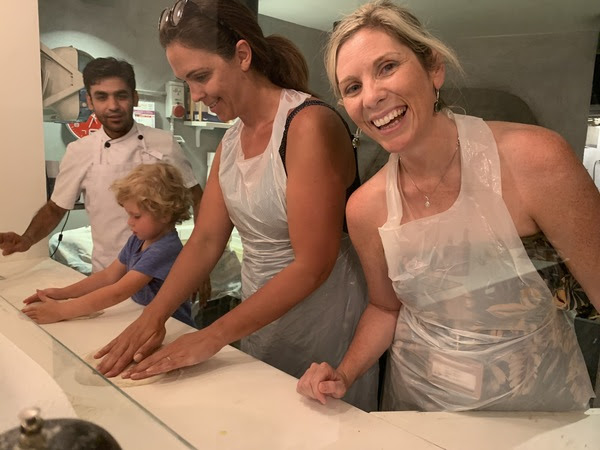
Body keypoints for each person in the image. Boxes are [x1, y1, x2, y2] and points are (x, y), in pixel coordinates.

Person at [296, 0, 600, 411]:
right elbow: (385, 308)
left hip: (535, 407)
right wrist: (344, 374)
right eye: (352, 87)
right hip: (418, 408)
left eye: (387, 67)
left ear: (433, 68)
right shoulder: (365, 209)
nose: (372, 96)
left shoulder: (535, 159)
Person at [92, 0, 379, 411]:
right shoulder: (230, 142)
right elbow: (207, 239)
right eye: (186, 81)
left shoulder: (306, 125)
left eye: (201, 76)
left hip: (323, 320)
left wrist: (210, 336)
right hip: (260, 315)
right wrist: (153, 317)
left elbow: (312, 265)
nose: (196, 94)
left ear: (243, 55)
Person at [0, 57, 203, 273]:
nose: (113, 106)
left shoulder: (164, 142)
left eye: (121, 96)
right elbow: (55, 208)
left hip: (164, 272)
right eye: (102, 97)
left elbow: (198, 198)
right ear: (90, 101)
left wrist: (199, 261)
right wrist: (27, 239)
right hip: (107, 272)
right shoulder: (79, 151)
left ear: (134, 98)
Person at [21, 163, 196, 327]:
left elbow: (119, 291)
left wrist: (61, 311)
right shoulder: (139, 239)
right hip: (143, 315)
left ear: (165, 215)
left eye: (136, 216)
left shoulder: (164, 249)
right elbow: (108, 276)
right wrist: (62, 293)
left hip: (173, 326)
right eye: (129, 215)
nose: (130, 222)